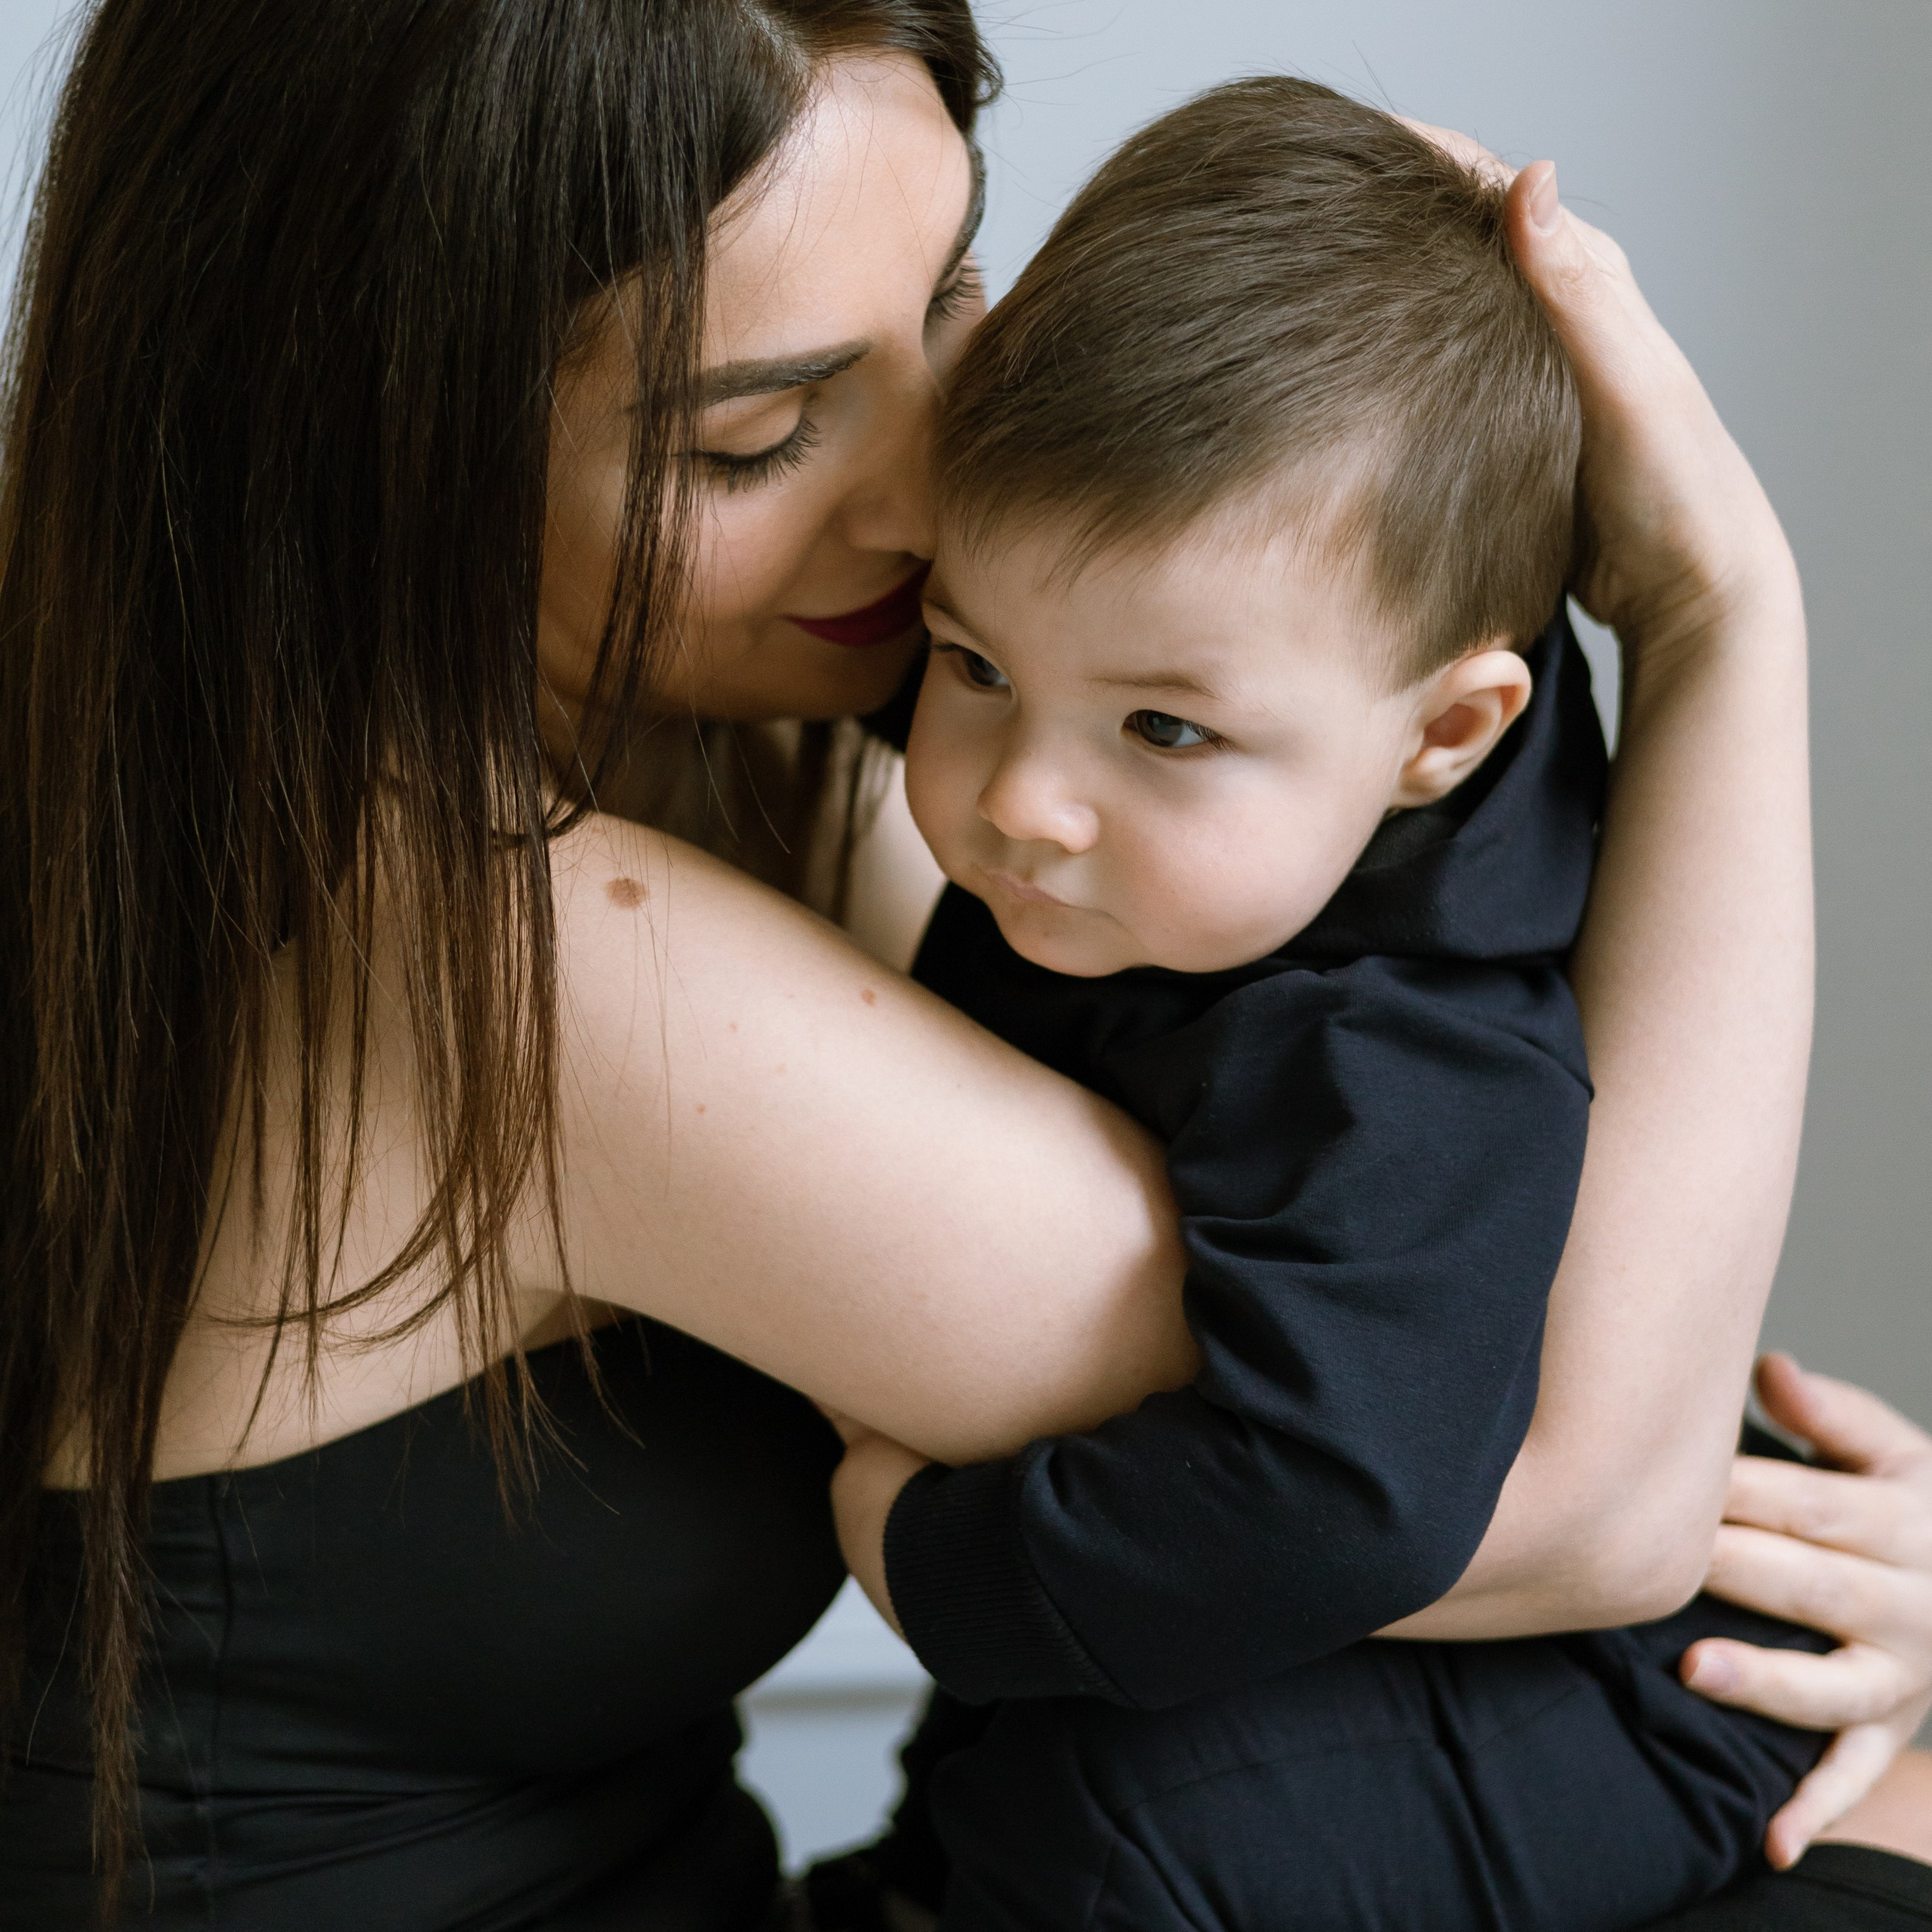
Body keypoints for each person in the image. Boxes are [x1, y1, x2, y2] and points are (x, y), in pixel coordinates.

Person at [0, 4, 1924, 1929]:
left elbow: (1407, 1176)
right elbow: (1578, 1488)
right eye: (756, 433)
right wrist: (1712, 612)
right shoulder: (495, 939)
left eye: (950, 299)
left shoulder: (761, 731)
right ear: (368, 444)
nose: (933, 504)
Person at [813, 76, 1838, 1931]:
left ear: (1445, 735)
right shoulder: (1212, 741)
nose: (1014, 800)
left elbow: (1331, 1495)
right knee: (1022, 1782)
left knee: (1107, 1824)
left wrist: (926, 1553)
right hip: (1426, 1674)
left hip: (1644, 1714)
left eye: (1162, 727)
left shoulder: (1397, 1061)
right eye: (966, 659)